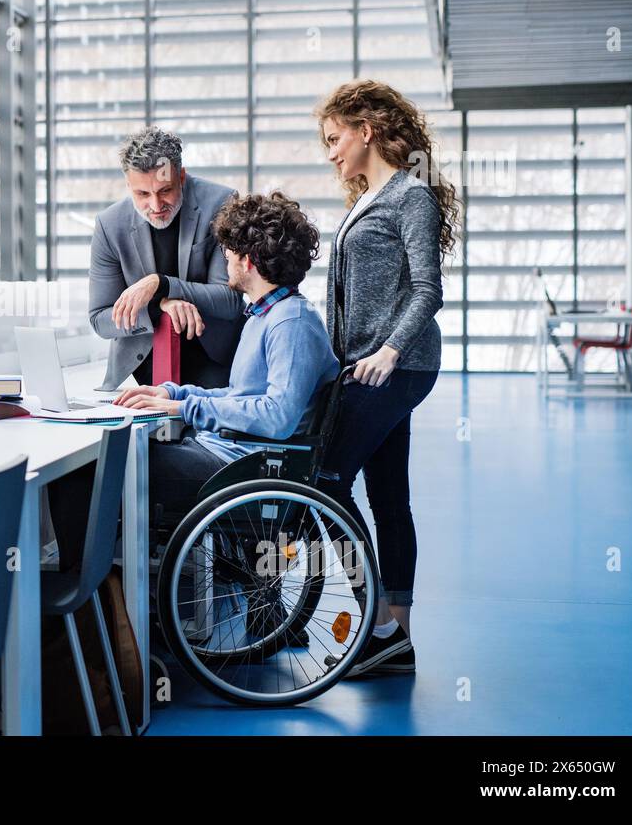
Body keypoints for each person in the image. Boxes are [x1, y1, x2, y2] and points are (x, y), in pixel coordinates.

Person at [313, 79, 460, 678]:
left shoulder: (410, 196)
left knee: (326, 481)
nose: (330, 152)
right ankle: (396, 638)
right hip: (364, 366)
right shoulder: (365, 196)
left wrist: (390, 352)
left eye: (333, 138)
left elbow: (429, 289)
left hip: (396, 368)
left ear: (365, 130)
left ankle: (374, 625)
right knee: (388, 496)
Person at [116, 191, 339, 531]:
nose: (225, 261)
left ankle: (107, 579)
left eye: (228, 252)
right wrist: (175, 395)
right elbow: (242, 397)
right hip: (229, 456)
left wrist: (185, 410)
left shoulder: (291, 323)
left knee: (118, 465)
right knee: (127, 457)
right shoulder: (265, 315)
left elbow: (277, 417)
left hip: (243, 468)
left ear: (247, 260)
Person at [88, 126, 246, 391]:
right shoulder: (109, 225)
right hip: (143, 366)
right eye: (142, 194)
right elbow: (100, 320)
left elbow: (229, 301)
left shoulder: (220, 203)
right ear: (128, 185)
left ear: (181, 177)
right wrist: (160, 305)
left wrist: (161, 284)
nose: (156, 205)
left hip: (216, 361)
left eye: (165, 190)